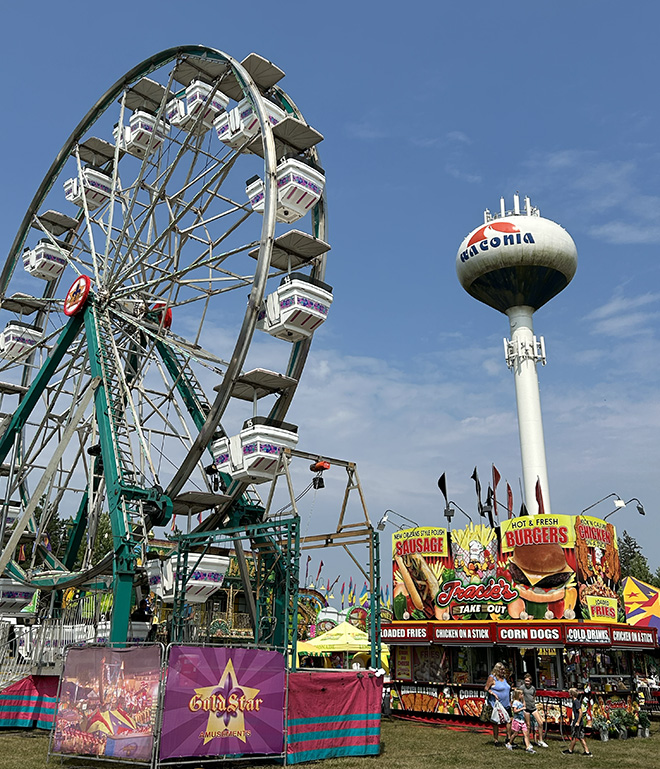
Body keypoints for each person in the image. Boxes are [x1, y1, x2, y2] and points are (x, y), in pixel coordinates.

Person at [485, 662, 512, 748]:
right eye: (501, 670)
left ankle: (508, 738)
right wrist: (492, 693)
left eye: (503, 670)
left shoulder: (504, 679)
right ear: (497, 670)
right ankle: (496, 740)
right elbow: (486, 688)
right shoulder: (492, 678)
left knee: (509, 720)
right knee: (496, 722)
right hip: (497, 704)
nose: (503, 671)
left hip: (506, 703)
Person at [562, 687, 593, 757]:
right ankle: (585, 751)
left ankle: (572, 750)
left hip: (577, 722)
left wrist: (578, 722)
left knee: (575, 737)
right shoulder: (575, 701)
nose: (568, 694)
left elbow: (580, 712)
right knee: (579, 737)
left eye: (569, 693)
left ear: (572, 694)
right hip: (577, 721)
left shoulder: (576, 702)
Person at [522, 672, 548, 747]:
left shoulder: (533, 688)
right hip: (526, 708)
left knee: (540, 723)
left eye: (528, 681)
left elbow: (534, 695)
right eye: (525, 681)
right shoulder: (522, 688)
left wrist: (533, 701)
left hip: (533, 707)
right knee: (528, 725)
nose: (527, 682)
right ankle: (527, 741)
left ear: (531, 681)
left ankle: (540, 740)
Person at [510, 688, 536, 753]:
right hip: (517, 720)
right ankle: (510, 743)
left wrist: (523, 699)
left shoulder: (520, 702)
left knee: (525, 733)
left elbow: (524, 706)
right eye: (521, 694)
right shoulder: (515, 702)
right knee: (515, 733)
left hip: (522, 720)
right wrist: (521, 709)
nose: (522, 695)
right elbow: (515, 711)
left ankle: (528, 747)